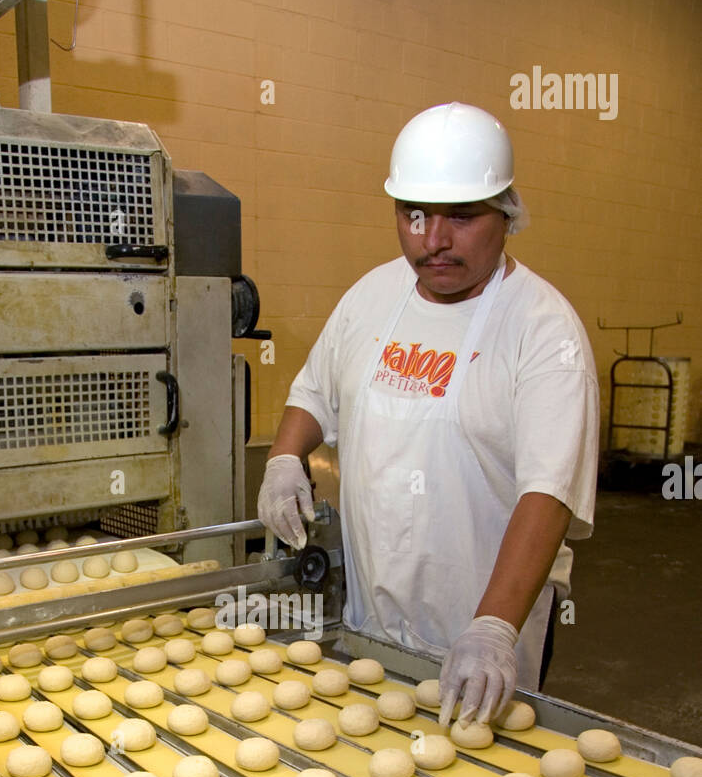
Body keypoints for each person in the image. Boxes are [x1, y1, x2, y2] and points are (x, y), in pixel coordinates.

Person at [257, 102, 599, 727]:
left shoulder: (544, 331)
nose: (433, 240)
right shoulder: (371, 297)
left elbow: (548, 492)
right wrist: (284, 456)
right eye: (414, 216)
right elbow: (313, 391)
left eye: (462, 218)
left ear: (507, 213)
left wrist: (493, 627)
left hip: (483, 633)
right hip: (373, 622)